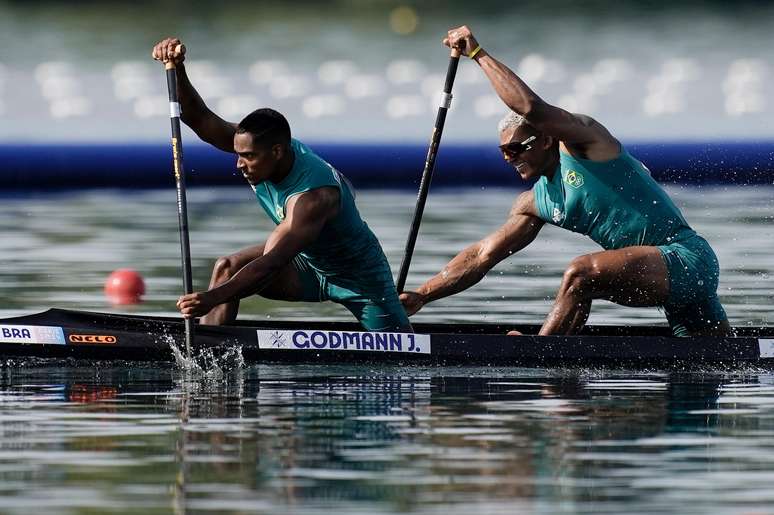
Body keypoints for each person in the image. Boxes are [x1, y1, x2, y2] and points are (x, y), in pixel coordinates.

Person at [400, 25, 731, 337]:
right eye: (503, 151)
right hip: (659, 280)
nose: (509, 158)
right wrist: (423, 295)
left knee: (580, 273)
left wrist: (478, 54)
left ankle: (543, 355)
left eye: (516, 148)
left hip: (687, 260)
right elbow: (481, 256)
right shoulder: (534, 202)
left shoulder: (587, 143)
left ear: (545, 139)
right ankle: (558, 362)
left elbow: (532, 108)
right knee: (719, 366)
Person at [151, 38, 411, 332]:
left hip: (359, 277)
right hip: (308, 265)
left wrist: (210, 298)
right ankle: (207, 347)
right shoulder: (259, 145)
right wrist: (178, 69)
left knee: (402, 353)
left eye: (248, 157)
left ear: (277, 151)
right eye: (238, 154)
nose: (239, 164)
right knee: (227, 267)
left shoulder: (314, 196)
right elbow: (200, 118)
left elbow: (272, 263)